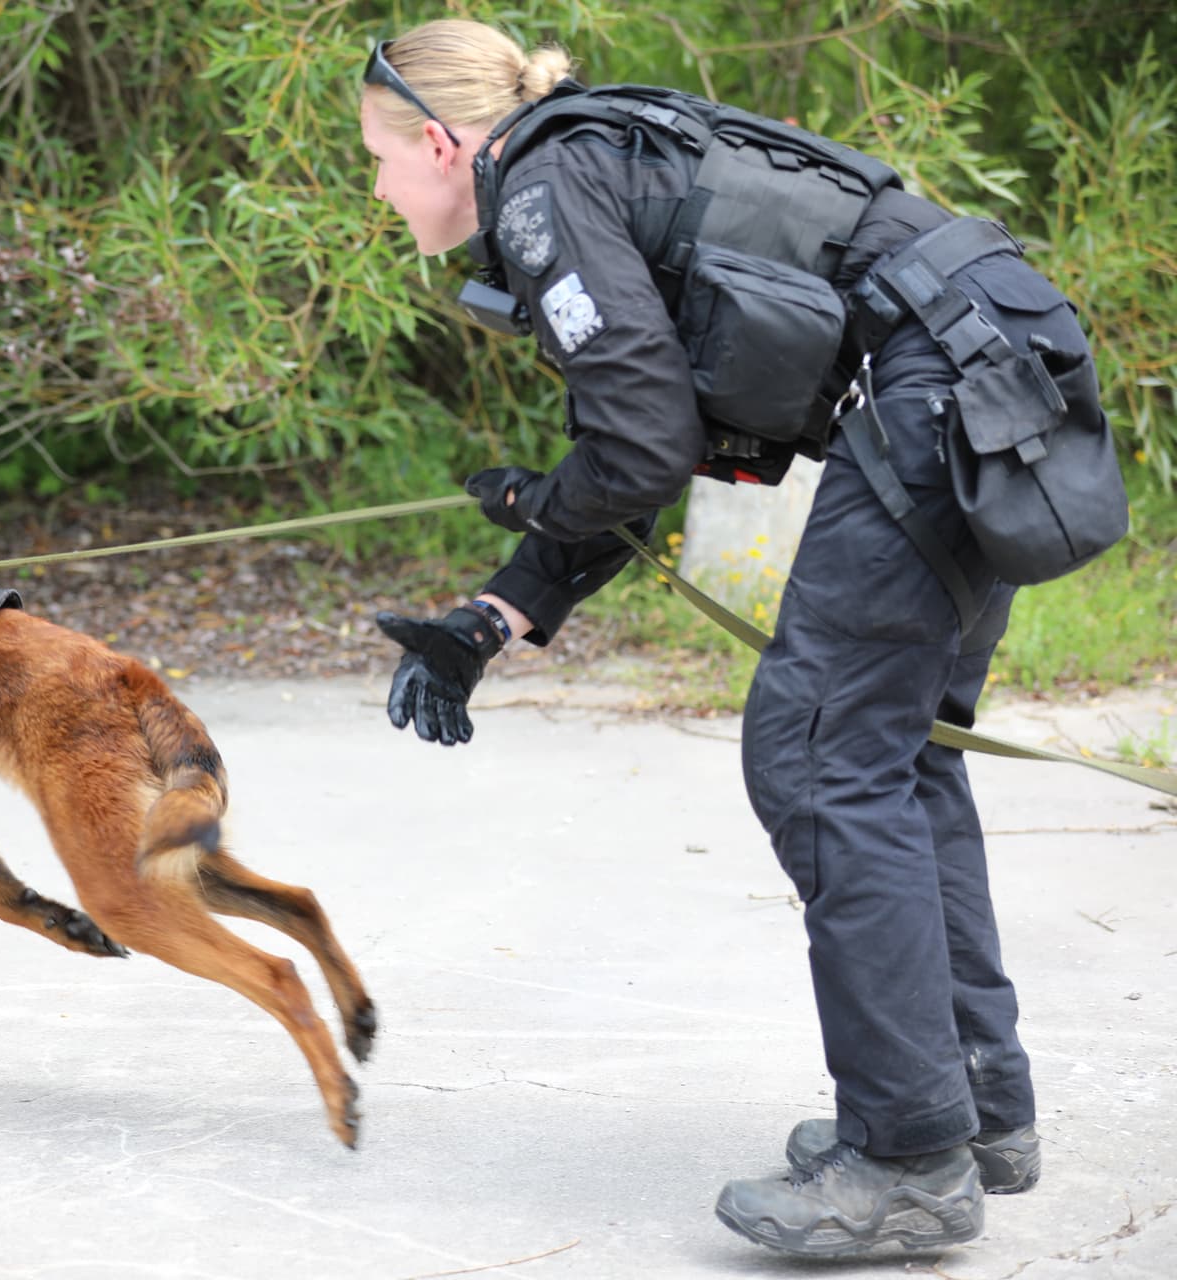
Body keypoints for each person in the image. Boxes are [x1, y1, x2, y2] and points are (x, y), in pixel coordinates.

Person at [357, 17, 1079, 1258]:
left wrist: (537, 500)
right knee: (894, 754)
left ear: (438, 140)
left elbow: (631, 448)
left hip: (937, 391)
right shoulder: (591, 155)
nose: (375, 185)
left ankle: (910, 1160)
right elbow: (660, 435)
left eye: (376, 157)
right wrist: (495, 614)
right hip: (994, 358)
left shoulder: (536, 185)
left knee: (818, 753)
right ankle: (971, 1109)